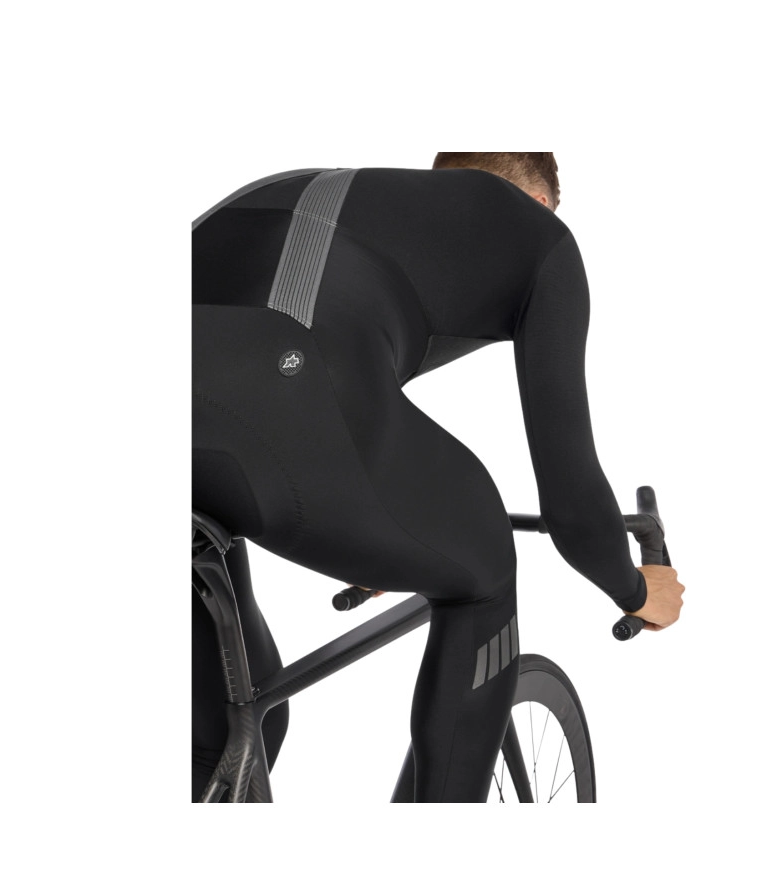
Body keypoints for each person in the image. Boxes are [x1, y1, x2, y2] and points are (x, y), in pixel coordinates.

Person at [192, 152, 685, 803]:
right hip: (290, 384)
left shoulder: (322, 190)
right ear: (539, 202)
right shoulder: (540, 237)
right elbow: (572, 507)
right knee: (482, 565)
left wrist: (389, 534)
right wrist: (636, 589)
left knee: (236, 728)